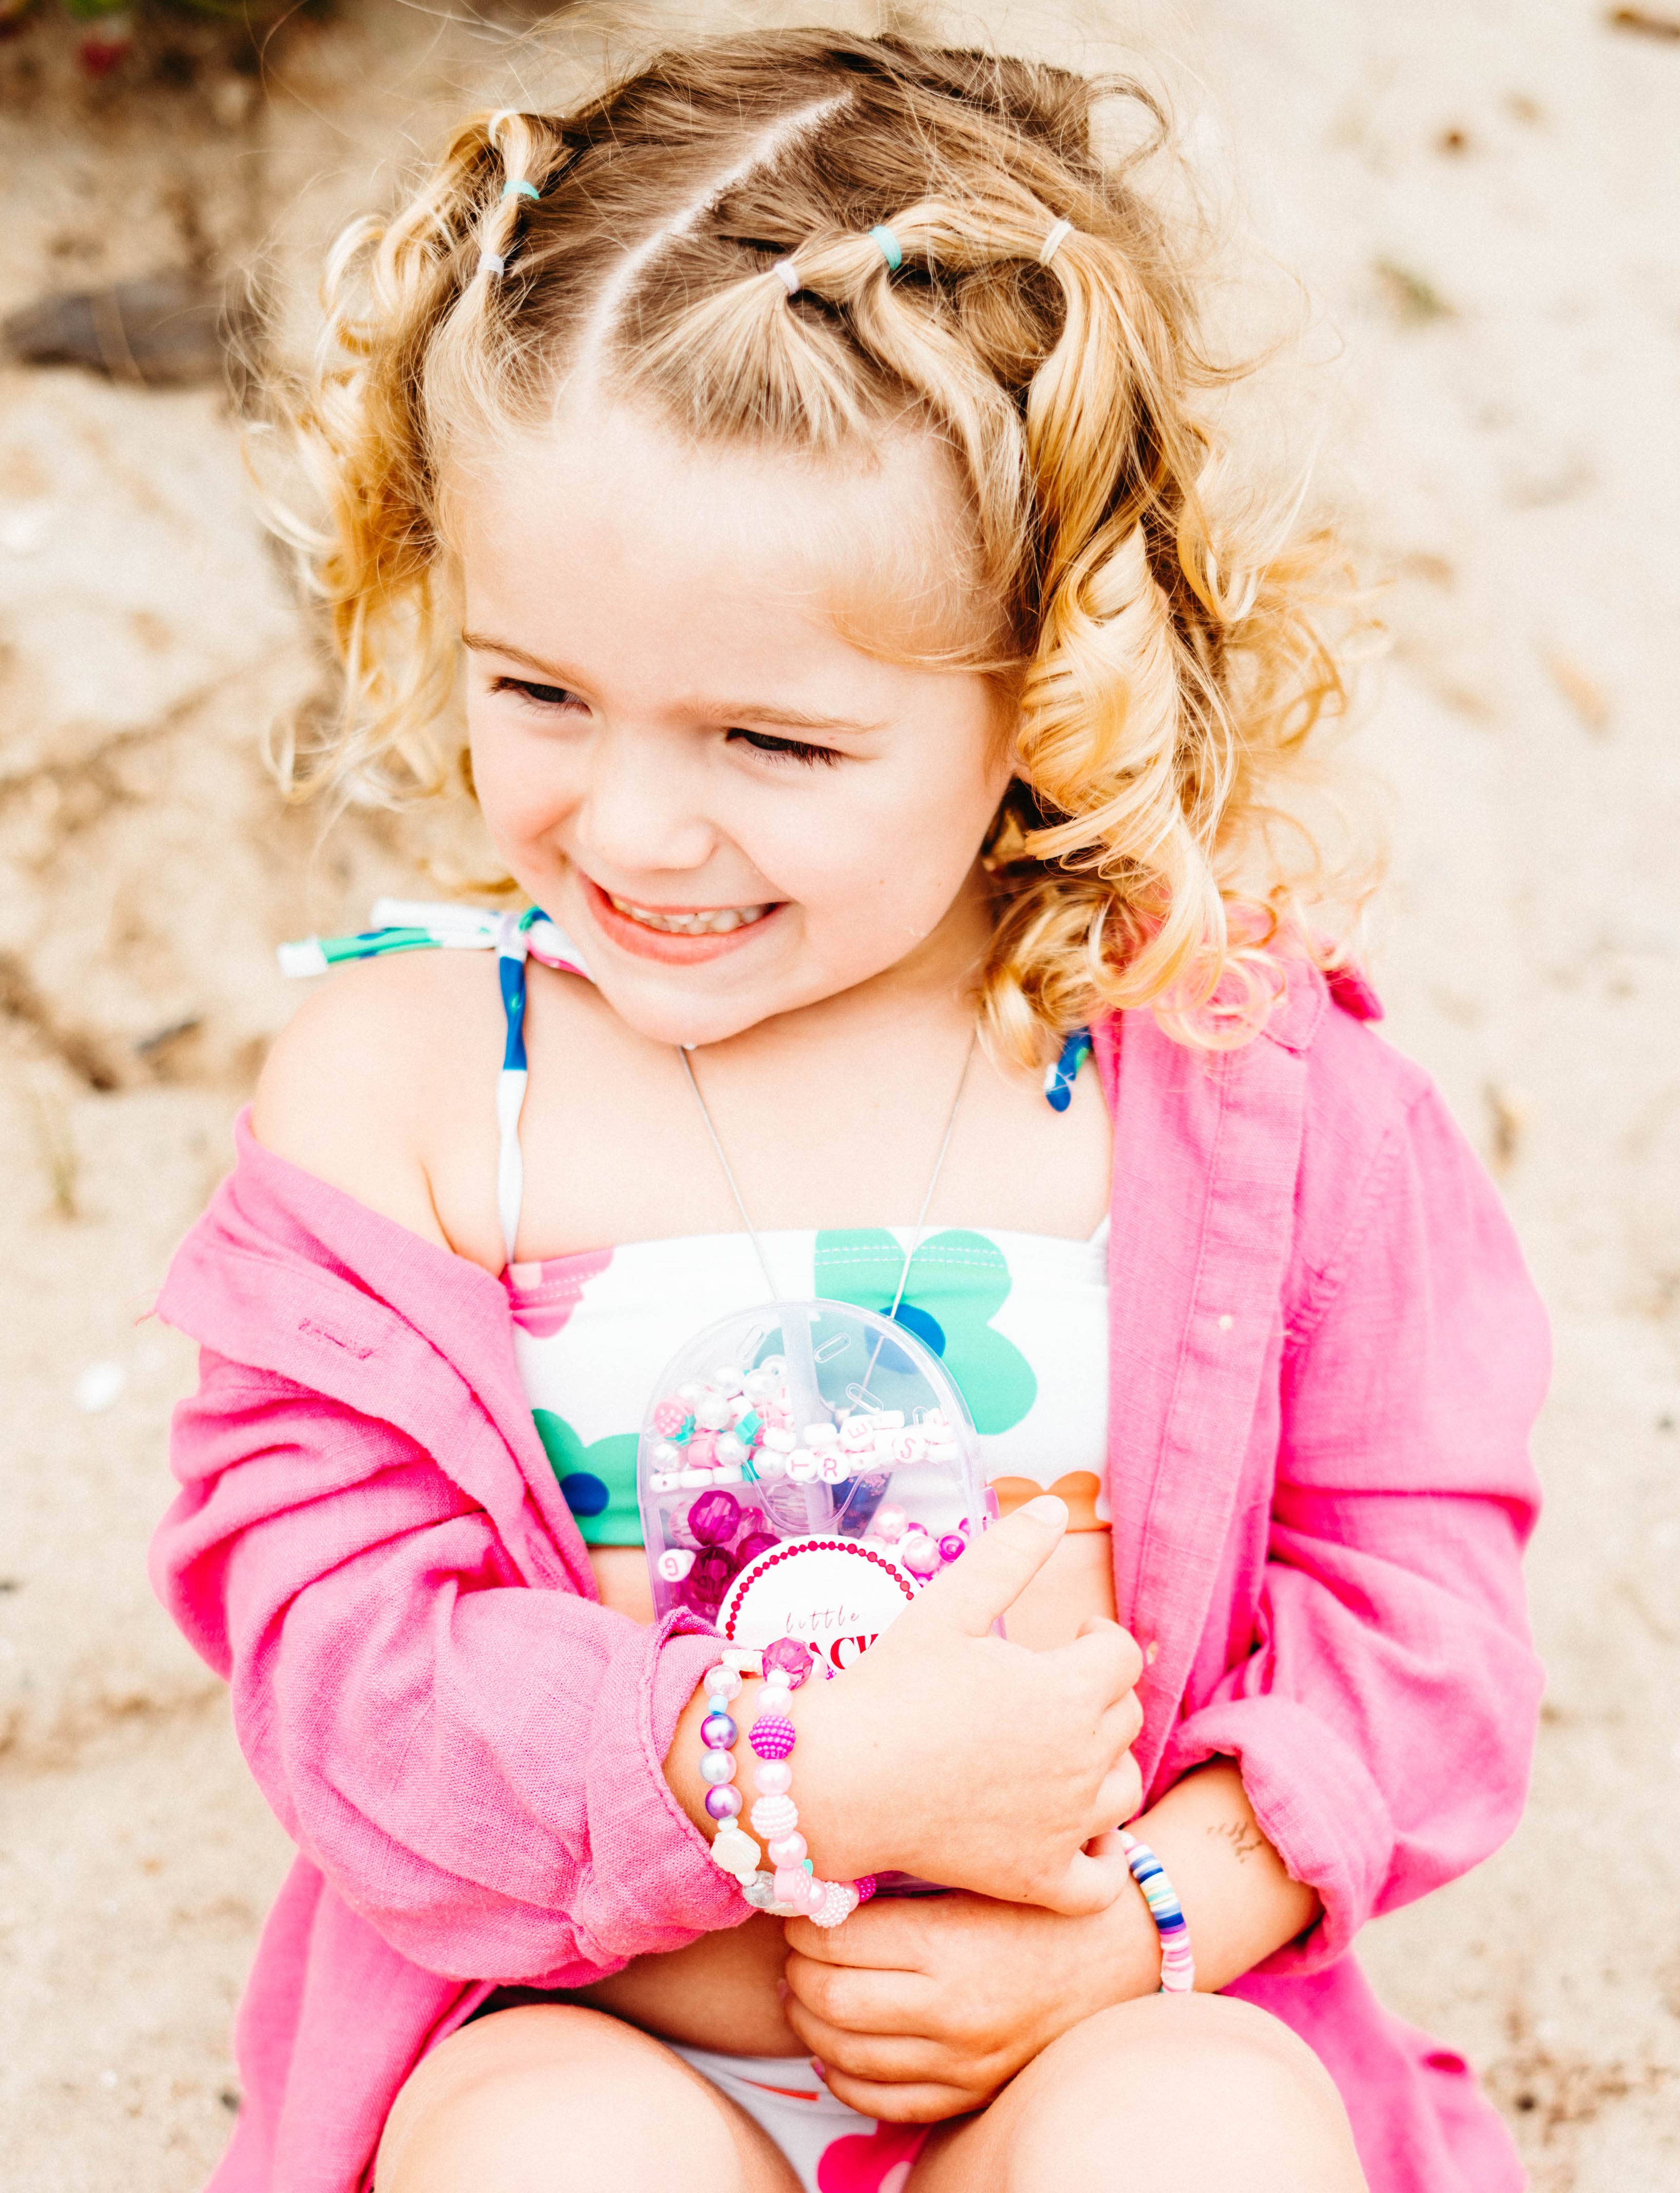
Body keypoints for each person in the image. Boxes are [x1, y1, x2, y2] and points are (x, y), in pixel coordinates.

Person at [150, 30, 1550, 2193]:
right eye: (540, 689)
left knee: (1196, 2151)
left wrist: (1160, 1915)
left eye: (771, 743)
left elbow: (1419, 1597)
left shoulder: (1232, 1078)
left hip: (1092, 2028)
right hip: (587, 2033)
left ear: (1052, 685)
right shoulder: (420, 1091)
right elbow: (337, 1666)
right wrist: (778, 1770)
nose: (628, 821)